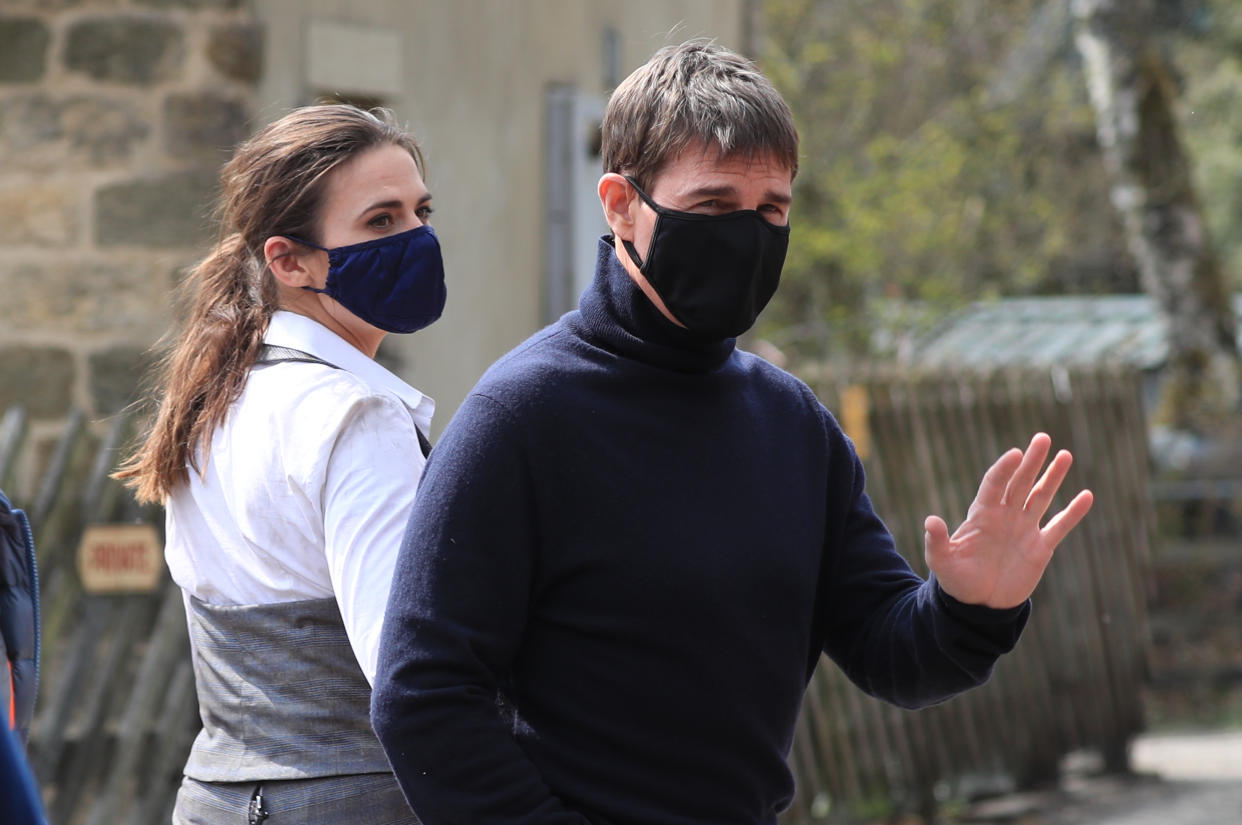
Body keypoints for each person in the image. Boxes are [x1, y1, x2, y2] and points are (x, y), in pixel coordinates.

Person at [371, 41, 1094, 825]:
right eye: (713, 206)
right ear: (620, 203)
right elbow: (422, 698)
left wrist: (969, 606)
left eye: (772, 210)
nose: (747, 235)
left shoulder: (793, 426)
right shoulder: (522, 417)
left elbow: (896, 658)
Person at [116, 104, 443, 824]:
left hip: (216, 798)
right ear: (288, 259)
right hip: (356, 800)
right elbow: (409, 667)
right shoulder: (357, 415)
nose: (417, 237)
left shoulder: (208, 399)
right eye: (381, 220)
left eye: (421, 211)